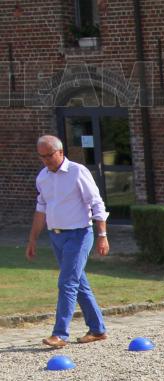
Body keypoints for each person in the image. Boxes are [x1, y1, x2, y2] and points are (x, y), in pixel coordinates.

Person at [26, 135, 110, 349]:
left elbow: (96, 203)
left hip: (79, 235)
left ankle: (60, 334)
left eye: (49, 155)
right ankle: (98, 329)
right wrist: (33, 239)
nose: (46, 160)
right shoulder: (42, 177)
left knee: (67, 283)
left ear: (61, 152)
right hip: (56, 236)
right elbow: (41, 208)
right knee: (78, 283)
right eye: (42, 157)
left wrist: (102, 235)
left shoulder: (77, 172)